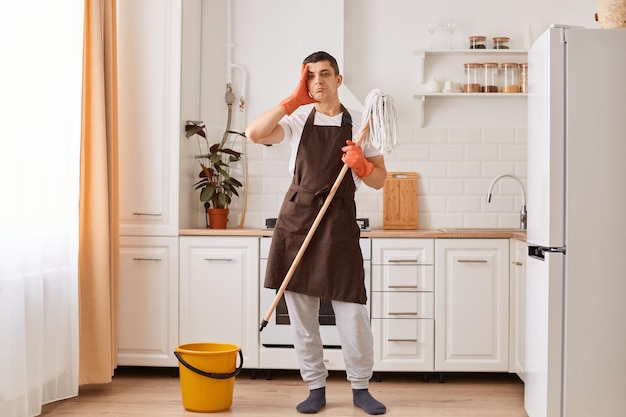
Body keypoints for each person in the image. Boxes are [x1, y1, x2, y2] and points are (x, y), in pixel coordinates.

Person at [245, 51, 387, 415]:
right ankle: (315, 386)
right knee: (302, 315)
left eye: (325, 74)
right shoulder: (296, 119)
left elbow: (380, 180)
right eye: (310, 76)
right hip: (297, 223)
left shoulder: (362, 125)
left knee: (352, 312)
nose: (318, 81)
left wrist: (362, 164)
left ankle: (360, 386)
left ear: (339, 79)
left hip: (338, 225)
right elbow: (254, 133)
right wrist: (291, 100)